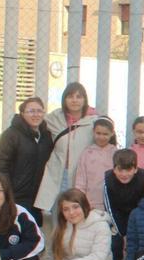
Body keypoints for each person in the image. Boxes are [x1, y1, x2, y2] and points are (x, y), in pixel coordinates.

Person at [35, 82, 100, 214]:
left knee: (78, 214)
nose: (74, 100)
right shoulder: (53, 119)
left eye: (79, 96)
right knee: (56, 215)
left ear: (85, 99)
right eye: (70, 96)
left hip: (82, 176)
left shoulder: (94, 121)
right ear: (64, 99)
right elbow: (34, 122)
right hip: (57, 174)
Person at [0, 96, 53, 226]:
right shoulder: (11, 135)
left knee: (32, 236)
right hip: (15, 197)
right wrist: (6, 194)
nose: (36, 114)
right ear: (22, 113)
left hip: (36, 199)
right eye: (31, 111)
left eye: (39, 111)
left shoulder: (46, 136)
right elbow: (0, 167)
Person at [103, 149, 144, 260]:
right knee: (114, 247)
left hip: (138, 214)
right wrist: (120, 232)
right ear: (114, 168)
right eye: (120, 170)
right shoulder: (108, 179)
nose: (124, 174)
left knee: (139, 249)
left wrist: (133, 231)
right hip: (117, 216)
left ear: (135, 169)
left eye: (128, 170)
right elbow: (108, 206)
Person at [72, 117, 118, 212]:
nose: (101, 137)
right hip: (90, 202)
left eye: (105, 134)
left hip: (110, 202)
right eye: (98, 133)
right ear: (93, 132)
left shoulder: (115, 153)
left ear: (112, 133)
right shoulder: (87, 153)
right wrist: (81, 200)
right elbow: (81, 179)